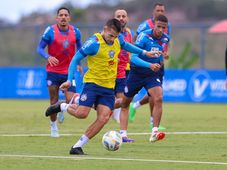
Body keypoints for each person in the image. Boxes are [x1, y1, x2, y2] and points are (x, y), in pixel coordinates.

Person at [45, 18, 159, 155]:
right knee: (82, 114)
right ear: (105, 29)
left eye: (115, 36)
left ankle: (77, 146)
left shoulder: (118, 39)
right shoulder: (94, 43)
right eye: (110, 35)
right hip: (92, 84)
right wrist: (69, 80)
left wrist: (145, 53)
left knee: (104, 117)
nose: (112, 39)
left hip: (108, 87)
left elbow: (127, 46)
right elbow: (75, 59)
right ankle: (63, 106)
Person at [119, 15, 170, 142]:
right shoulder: (143, 36)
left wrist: (159, 61)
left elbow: (159, 54)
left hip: (151, 74)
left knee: (158, 97)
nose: (160, 30)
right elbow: (134, 58)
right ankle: (123, 134)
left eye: (163, 28)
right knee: (124, 103)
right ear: (154, 25)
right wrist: (150, 64)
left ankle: (154, 132)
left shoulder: (165, 39)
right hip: (136, 73)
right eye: (158, 26)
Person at [37, 7, 82, 137]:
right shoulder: (50, 31)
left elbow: (79, 50)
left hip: (69, 71)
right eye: (61, 15)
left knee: (71, 99)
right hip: (53, 71)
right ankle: (53, 126)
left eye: (66, 15)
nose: (63, 17)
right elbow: (39, 48)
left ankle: (62, 107)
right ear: (57, 18)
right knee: (53, 99)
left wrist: (79, 64)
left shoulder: (76, 32)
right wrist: (48, 57)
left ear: (69, 18)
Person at [129, 3, 171, 130]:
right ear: (153, 12)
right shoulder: (145, 25)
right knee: (153, 94)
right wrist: (138, 54)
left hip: (158, 65)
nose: (160, 12)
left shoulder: (166, 26)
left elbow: (165, 42)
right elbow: (135, 40)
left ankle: (151, 120)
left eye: (162, 10)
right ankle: (136, 108)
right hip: (142, 65)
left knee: (156, 94)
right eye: (158, 10)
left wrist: (164, 54)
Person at [112, 9, 134, 123]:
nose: (121, 18)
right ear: (114, 19)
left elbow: (129, 49)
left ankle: (117, 116)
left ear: (127, 18)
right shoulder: (110, 33)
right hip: (110, 70)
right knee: (108, 99)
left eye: (123, 16)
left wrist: (131, 60)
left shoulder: (129, 32)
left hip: (125, 70)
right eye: (118, 16)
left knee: (122, 98)